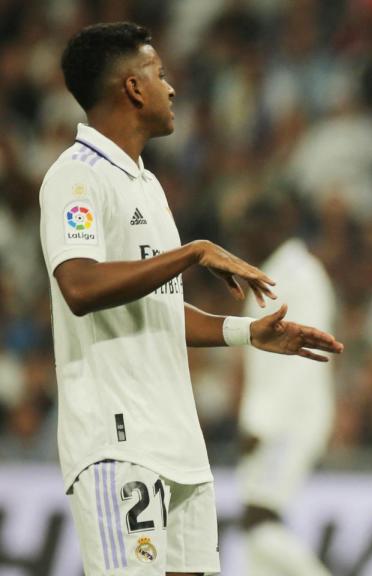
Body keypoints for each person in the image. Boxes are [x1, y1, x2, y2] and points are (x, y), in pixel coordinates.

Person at [39, 22, 343, 576]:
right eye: (159, 74)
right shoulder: (75, 179)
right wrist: (193, 252)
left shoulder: (147, 186)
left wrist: (246, 333)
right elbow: (79, 286)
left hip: (178, 442)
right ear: (132, 88)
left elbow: (157, 310)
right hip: (118, 440)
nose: (171, 88)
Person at [234, 194, 337, 576]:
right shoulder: (273, 275)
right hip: (273, 418)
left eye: (249, 231)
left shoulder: (300, 275)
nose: (243, 241)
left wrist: (261, 423)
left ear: (273, 228)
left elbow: (303, 358)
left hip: (289, 420)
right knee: (256, 540)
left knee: (258, 520)